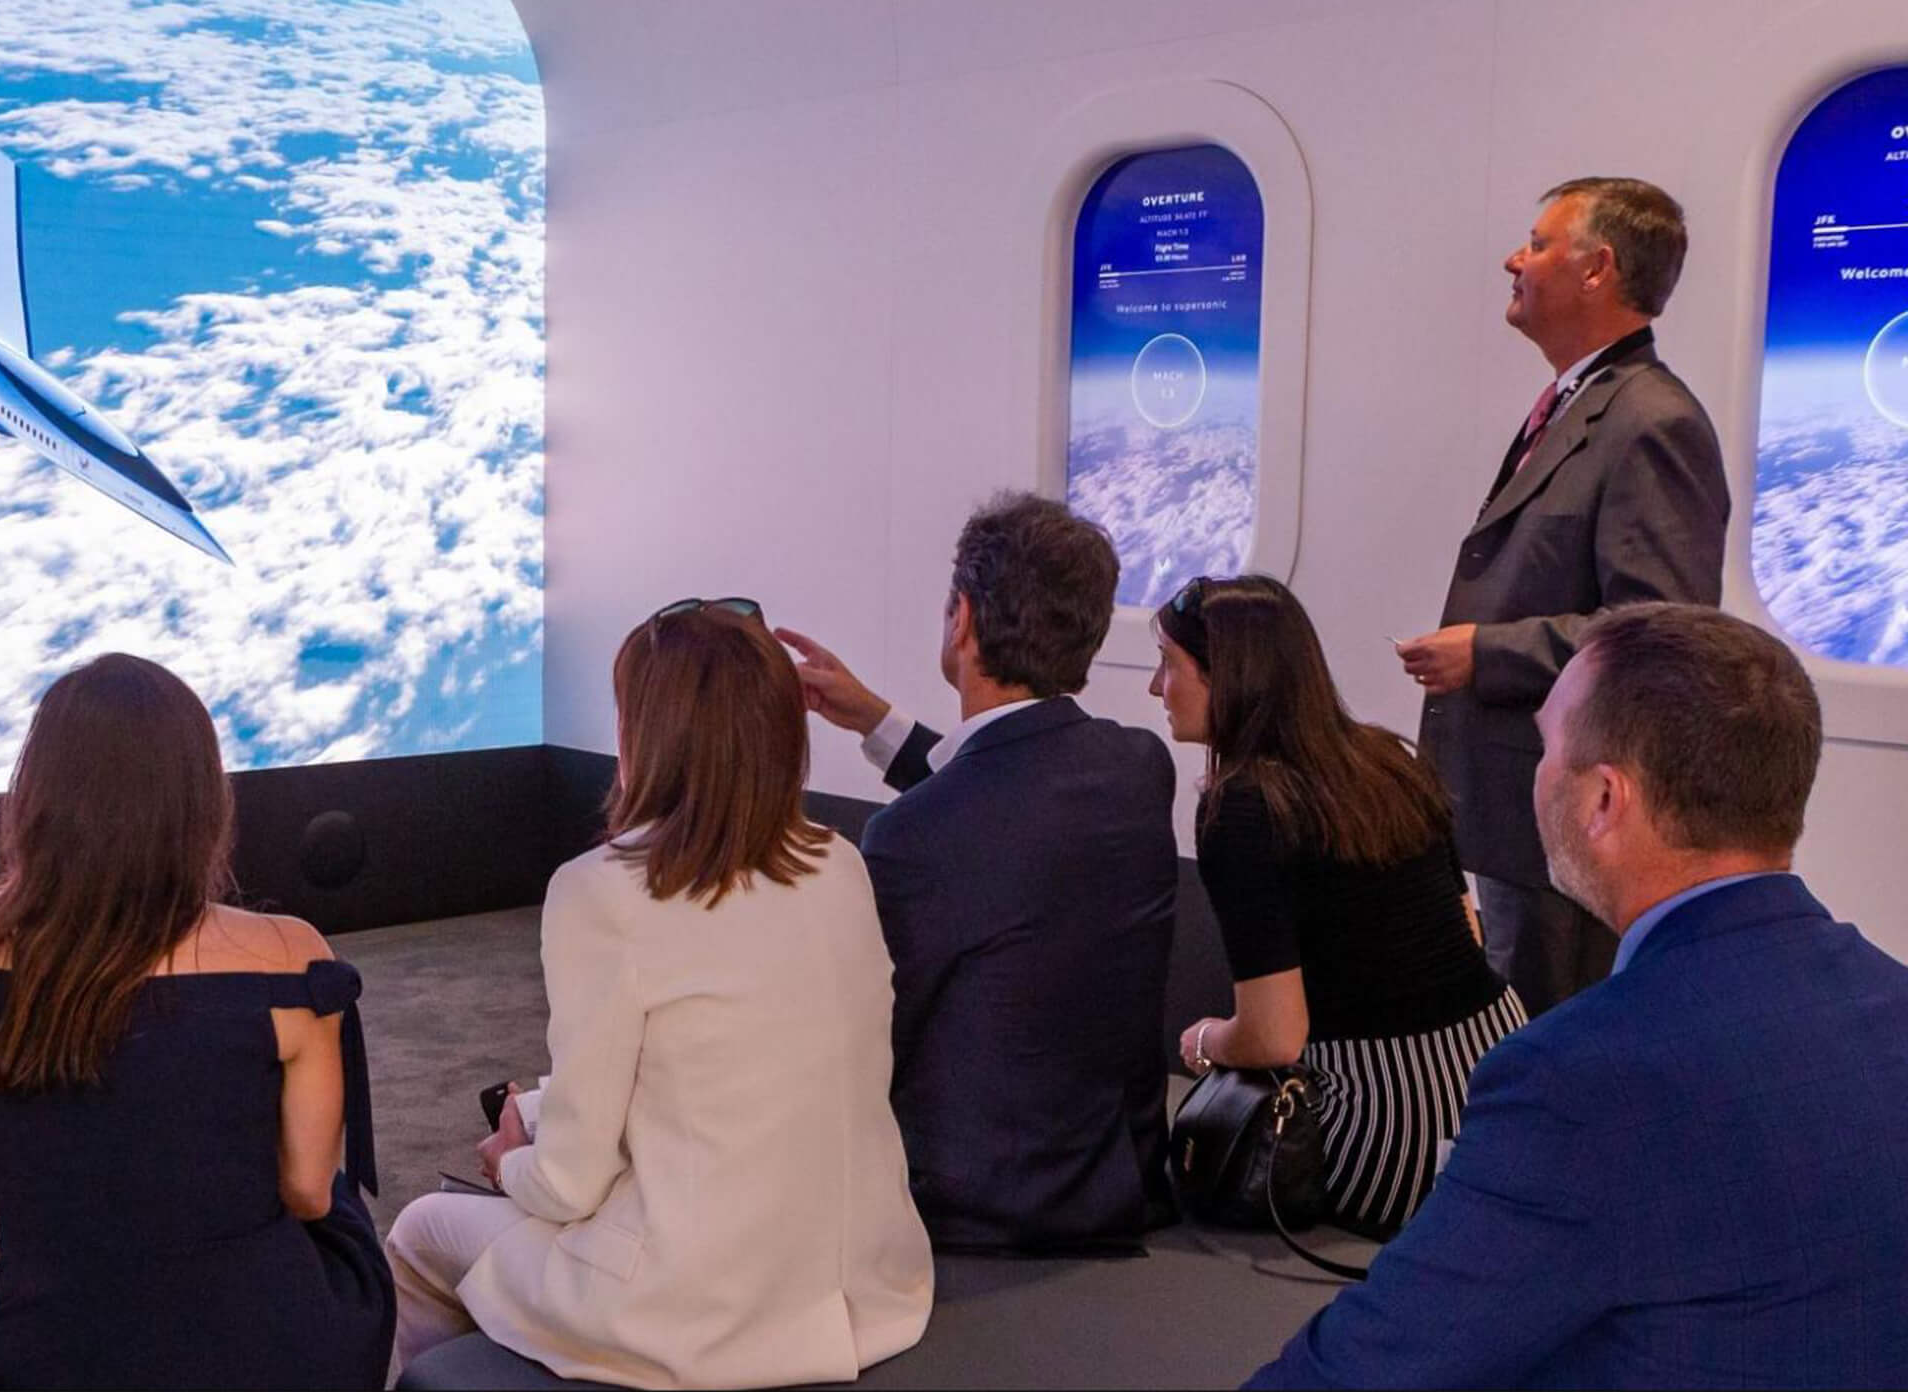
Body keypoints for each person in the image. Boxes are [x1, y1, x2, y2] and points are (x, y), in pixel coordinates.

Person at [1251, 605, 1908, 1389]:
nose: (1538, 774)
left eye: (1546, 747)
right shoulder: (1889, 996)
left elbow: (1374, 1366)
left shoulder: (1578, 1079)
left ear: (1603, 800)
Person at [385, 600, 931, 1389]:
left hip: (702, 1310)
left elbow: (570, 1184)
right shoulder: (840, 863)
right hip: (870, 1287)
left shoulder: (601, 893)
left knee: (422, 1228)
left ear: (647, 734)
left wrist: (512, 1162)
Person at [0, 654, 392, 1390]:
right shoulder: (293, 964)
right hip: (269, 1356)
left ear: (34, 797)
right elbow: (307, 1189)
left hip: (56, 1358)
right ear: (202, 804)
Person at [780, 492, 1178, 1253]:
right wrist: (875, 719)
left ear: (961, 617)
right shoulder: (1137, 768)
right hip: (1119, 1188)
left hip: (975, 1214)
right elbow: (1008, 791)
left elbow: (865, 1042)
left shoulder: (911, 837)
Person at [1395, 178, 1728, 1012]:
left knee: (1546, 1046)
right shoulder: (1585, 403)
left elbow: (1664, 632)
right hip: (1524, 812)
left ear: (1597, 269)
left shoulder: (1652, 421)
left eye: (1539, 243)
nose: (1514, 259)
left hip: (1574, 813)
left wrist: (1488, 652)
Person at [1153, 575, 1523, 1240]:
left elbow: (1273, 1036)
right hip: (1501, 1083)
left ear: (1226, 679)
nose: (1157, 688)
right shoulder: (1389, 761)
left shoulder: (1239, 809)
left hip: (1397, 1116)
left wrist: (1203, 1042)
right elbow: (1466, 930)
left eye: (1170, 666)